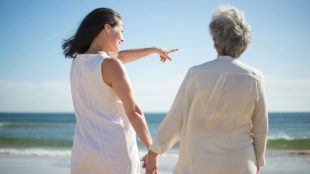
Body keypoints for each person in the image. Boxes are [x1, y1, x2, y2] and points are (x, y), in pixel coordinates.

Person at [145, 5, 268, 174]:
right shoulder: (255, 78)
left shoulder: (195, 73)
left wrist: (154, 151)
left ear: (215, 41)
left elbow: (176, 117)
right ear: (244, 42)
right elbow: (261, 128)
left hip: (195, 166)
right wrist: (258, 160)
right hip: (240, 165)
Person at [62, 8, 178, 174]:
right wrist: (153, 151)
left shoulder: (77, 63)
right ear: (107, 28)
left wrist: (154, 49)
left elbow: (119, 57)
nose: (123, 38)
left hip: (82, 158)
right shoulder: (110, 65)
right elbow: (134, 111)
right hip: (115, 158)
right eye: (121, 31)